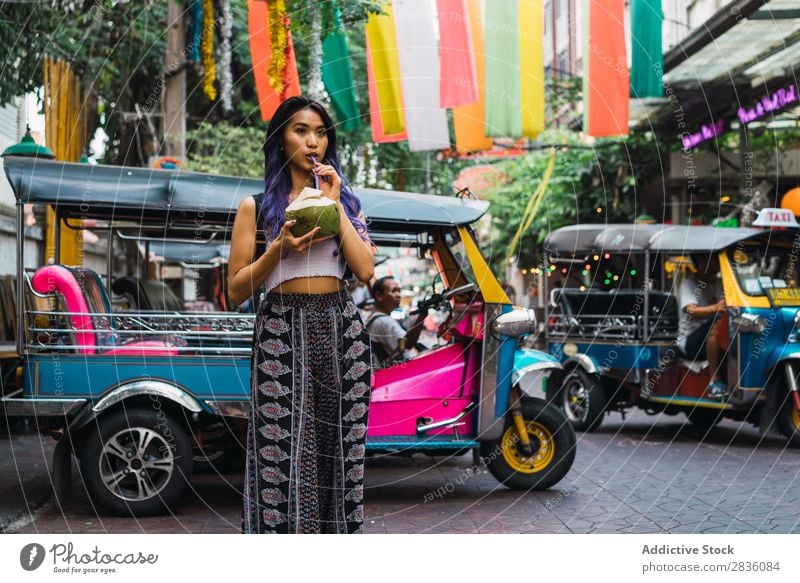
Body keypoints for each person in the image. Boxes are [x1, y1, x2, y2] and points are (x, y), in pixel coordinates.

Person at [228, 96, 375, 534]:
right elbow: (235, 289)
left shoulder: (345, 201)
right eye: (300, 130)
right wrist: (278, 250)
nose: (313, 141)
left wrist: (334, 204)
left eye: (320, 131)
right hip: (281, 328)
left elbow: (365, 270)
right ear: (281, 139)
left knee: (339, 447)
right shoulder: (255, 207)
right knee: (280, 444)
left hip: (339, 327)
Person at [677, 253, 728, 399]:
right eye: (710, 259)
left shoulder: (720, 282)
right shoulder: (688, 283)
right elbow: (691, 311)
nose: (715, 263)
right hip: (691, 343)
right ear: (699, 262)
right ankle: (715, 381)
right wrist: (716, 308)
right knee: (718, 321)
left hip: (712, 339)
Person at [366, 276, 426, 367]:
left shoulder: (372, 318)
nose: (398, 295)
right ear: (378, 296)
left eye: (399, 291)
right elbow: (407, 344)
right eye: (393, 291)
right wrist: (423, 315)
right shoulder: (384, 321)